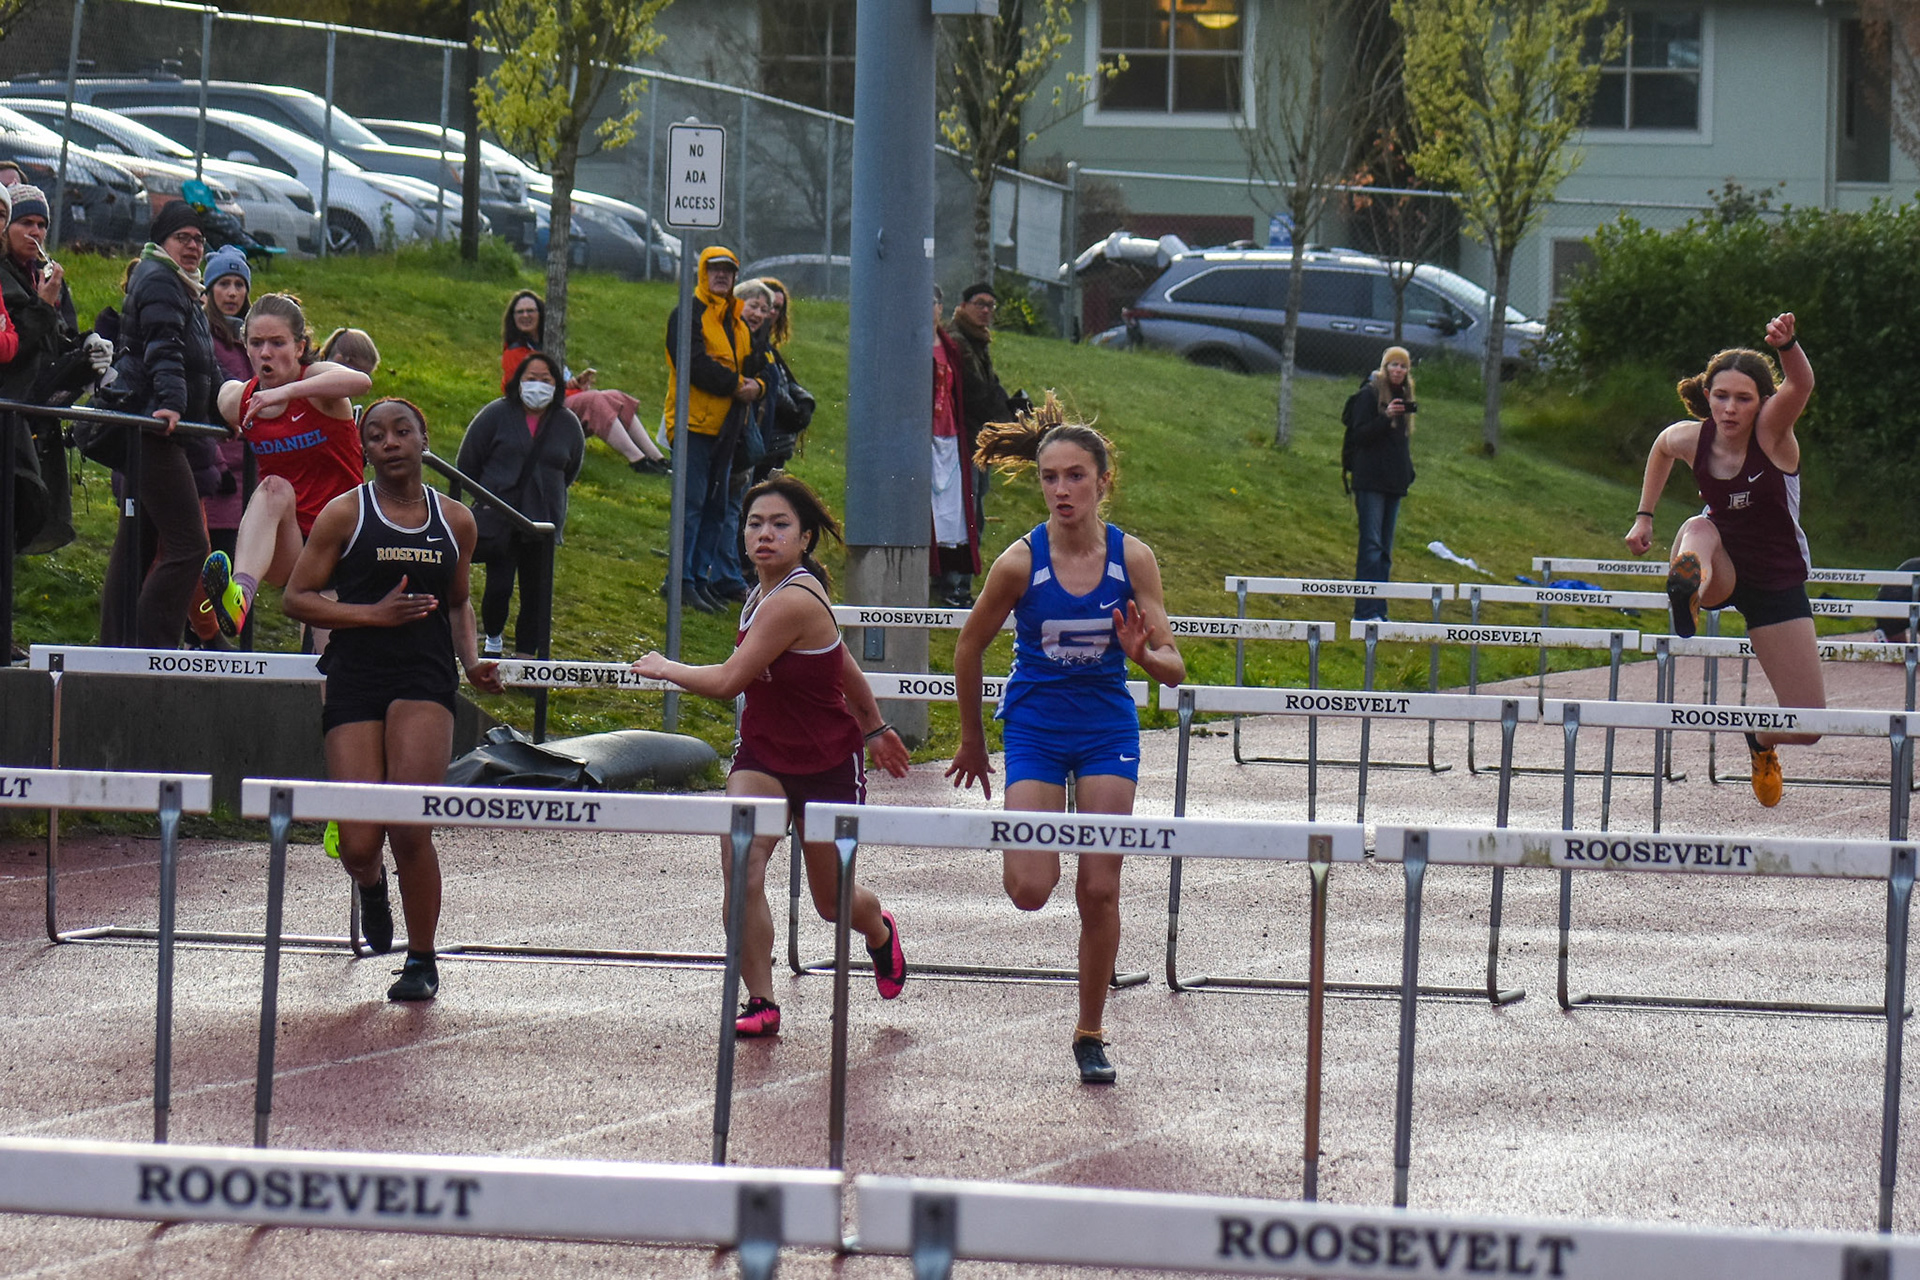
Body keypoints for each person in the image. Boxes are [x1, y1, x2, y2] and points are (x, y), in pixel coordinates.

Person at [945, 395, 1185, 1085]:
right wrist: (971, 741)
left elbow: (1174, 669)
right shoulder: (1019, 563)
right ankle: (1034, 839)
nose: (1061, 490)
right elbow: (968, 647)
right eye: (1050, 477)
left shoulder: (1132, 559)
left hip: (1106, 725)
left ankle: (1090, 1031)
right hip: (1037, 726)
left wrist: (1142, 655)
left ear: (1103, 482)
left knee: (1099, 889)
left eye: (1075, 476)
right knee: (1029, 888)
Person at [633, 475, 910, 1037]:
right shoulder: (758, 594)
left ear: (804, 538)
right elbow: (844, 666)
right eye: (755, 524)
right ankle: (761, 1000)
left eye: (780, 525)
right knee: (742, 864)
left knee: (832, 903)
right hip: (762, 756)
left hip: (826, 762)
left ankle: (880, 930)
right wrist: (877, 725)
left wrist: (666, 668)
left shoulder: (795, 600)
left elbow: (727, 681)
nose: (765, 534)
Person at [284, 398, 503, 1001]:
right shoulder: (344, 514)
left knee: (410, 825)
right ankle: (371, 883)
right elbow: (297, 598)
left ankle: (422, 958)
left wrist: (472, 662)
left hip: (424, 679)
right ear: (365, 450)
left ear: (423, 438)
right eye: (376, 435)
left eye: (402, 431)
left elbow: (458, 601)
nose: (390, 442)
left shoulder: (456, 520)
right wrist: (372, 615)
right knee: (359, 843)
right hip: (356, 676)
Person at [1625, 313, 1818, 808]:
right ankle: (1687, 589)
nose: (1730, 409)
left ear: (1763, 402)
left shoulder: (1772, 432)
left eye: (1744, 399)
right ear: (1708, 397)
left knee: (1809, 724)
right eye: (1721, 397)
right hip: (1721, 566)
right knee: (1700, 526)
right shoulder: (1693, 438)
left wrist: (1788, 345)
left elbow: (1800, 383)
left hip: (1775, 580)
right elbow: (1661, 447)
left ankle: (1761, 738)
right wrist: (1644, 517)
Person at [198, 293, 372, 642]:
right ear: (246, 347)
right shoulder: (238, 399)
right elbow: (216, 400)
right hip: (290, 546)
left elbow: (361, 382)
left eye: (278, 343)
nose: (266, 353)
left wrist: (285, 393)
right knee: (273, 486)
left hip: (341, 541)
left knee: (328, 663)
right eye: (256, 343)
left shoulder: (318, 381)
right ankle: (239, 595)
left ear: (299, 347)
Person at [98, 201, 221, 650]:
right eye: (182, 238)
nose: (192, 246)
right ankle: (151, 647)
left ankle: (117, 644)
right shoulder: (161, 280)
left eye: (198, 239)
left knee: (138, 545)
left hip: (156, 426)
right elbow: (163, 346)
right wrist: (170, 404)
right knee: (189, 545)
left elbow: (203, 364)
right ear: (161, 241)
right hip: (155, 427)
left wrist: (231, 409)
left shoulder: (183, 285)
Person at [456, 349, 585, 660]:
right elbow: (467, 463)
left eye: (546, 379)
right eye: (531, 378)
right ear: (519, 381)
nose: (538, 385)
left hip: (542, 524)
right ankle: (493, 641)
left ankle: (528, 656)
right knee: (498, 586)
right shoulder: (496, 414)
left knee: (536, 593)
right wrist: (487, 498)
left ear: (557, 385)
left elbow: (570, 469)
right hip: (500, 517)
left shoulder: (568, 423)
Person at [663, 246, 763, 613]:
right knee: (691, 505)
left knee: (715, 508)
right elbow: (693, 364)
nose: (721, 276)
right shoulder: (688, 314)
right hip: (693, 426)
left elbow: (760, 366)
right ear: (702, 273)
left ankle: (697, 579)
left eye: (728, 271)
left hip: (726, 432)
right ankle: (680, 581)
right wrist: (738, 385)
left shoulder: (737, 323)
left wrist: (759, 387)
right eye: (714, 269)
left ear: (735, 277)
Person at [503, 289, 667, 474]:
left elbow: (556, 382)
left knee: (615, 396)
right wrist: (572, 390)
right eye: (520, 312)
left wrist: (575, 383)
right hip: (543, 414)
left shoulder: (547, 345)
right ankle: (638, 460)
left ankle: (657, 458)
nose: (525, 315)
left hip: (564, 403)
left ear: (540, 314)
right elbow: (527, 393)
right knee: (594, 399)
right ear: (513, 318)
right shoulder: (515, 353)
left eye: (530, 311)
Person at [183, 244, 253, 647]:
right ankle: (200, 637)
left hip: (248, 466)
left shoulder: (251, 337)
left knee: (237, 560)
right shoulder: (205, 336)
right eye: (224, 284)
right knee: (210, 557)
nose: (232, 293)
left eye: (239, 285)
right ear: (208, 290)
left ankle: (228, 637)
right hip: (215, 464)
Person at [1341, 346, 1417, 622]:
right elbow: (1359, 435)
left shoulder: (1405, 396)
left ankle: (1379, 610)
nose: (1398, 370)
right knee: (1371, 547)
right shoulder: (1369, 394)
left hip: (1393, 482)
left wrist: (1407, 473)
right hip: (1370, 480)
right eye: (1393, 365)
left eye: (1403, 366)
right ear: (1385, 367)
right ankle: (1363, 611)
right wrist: (1385, 418)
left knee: (1385, 551)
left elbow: (1400, 444)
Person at [930, 284, 979, 608]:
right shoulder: (911, 345)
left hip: (950, 436)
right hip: (927, 437)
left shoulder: (949, 346)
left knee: (955, 513)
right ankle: (939, 581)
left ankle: (956, 583)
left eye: (933, 302)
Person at [950, 282, 1012, 534]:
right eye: (979, 304)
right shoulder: (958, 340)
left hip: (978, 435)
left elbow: (991, 385)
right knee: (969, 501)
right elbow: (974, 391)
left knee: (978, 496)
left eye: (990, 306)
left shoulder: (977, 339)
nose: (985, 310)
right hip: (963, 436)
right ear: (964, 306)